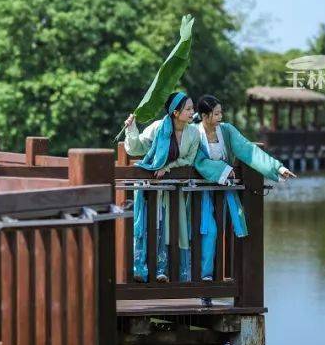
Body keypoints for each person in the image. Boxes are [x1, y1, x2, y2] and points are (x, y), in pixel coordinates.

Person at [192, 94, 297, 304]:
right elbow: (197, 161)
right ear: (204, 116)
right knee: (208, 233)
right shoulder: (193, 134)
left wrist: (278, 168)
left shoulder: (227, 131)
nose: (221, 117)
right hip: (199, 195)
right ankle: (204, 285)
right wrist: (223, 169)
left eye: (221, 112)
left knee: (230, 234)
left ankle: (221, 287)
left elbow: (248, 150)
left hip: (225, 192)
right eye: (216, 113)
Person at [123, 92, 200, 283]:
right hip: (150, 187)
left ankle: (163, 270)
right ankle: (140, 269)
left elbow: (188, 160)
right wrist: (131, 128)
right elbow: (136, 148)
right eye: (188, 109)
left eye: (192, 109)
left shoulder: (193, 133)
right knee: (149, 225)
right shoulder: (158, 127)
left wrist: (168, 167)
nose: (192, 112)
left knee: (169, 226)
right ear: (176, 112)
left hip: (174, 189)